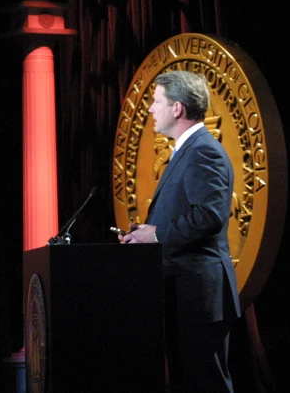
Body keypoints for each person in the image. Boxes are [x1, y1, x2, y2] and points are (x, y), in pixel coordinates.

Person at [120, 70, 241, 392]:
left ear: (177, 108)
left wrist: (156, 236)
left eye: (156, 101)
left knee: (207, 385)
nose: (149, 109)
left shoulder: (204, 150)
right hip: (182, 296)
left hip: (200, 297)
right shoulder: (186, 151)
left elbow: (209, 215)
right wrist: (143, 235)